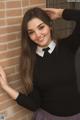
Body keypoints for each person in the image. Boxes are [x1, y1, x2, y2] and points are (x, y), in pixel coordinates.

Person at [0, 7, 80, 120]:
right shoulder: (29, 62)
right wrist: (6, 87)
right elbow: (34, 104)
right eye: (31, 32)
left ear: (50, 26)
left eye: (41, 27)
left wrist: (61, 13)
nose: (38, 35)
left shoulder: (68, 46)